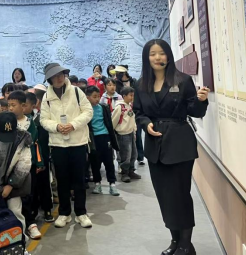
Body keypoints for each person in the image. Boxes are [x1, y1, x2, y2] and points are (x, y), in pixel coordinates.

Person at [134, 39, 210, 255]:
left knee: (180, 194)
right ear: (147, 58)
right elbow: (139, 112)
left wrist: (201, 100)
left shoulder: (183, 80)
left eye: (162, 53)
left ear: (168, 55)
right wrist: (145, 124)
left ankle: (186, 244)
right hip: (154, 146)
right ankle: (175, 241)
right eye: (152, 54)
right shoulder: (141, 84)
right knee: (164, 195)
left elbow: (195, 111)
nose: (157, 57)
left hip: (179, 143)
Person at [39, 63, 93, 229]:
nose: (59, 78)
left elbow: (88, 112)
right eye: (55, 76)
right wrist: (57, 127)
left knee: (79, 179)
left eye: (61, 74)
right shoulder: (47, 97)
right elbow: (43, 119)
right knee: (62, 180)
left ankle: (81, 213)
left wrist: (73, 125)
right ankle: (64, 213)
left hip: (78, 142)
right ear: (49, 79)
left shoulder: (76, 91)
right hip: (58, 144)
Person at [0, 112, 32, 240]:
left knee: (16, 211)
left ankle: (20, 241)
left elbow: (24, 164)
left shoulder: (23, 138)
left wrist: (11, 184)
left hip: (14, 180)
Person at [8, 90, 45, 240]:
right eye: (9, 105)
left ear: (23, 106)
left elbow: (34, 143)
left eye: (13, 105)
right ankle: (15, 226)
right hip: (11, 166)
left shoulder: (30, 123)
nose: (10, 108)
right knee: (14, 197)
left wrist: (39, 162)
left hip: (28, 164)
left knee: (29, 194)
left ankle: (30, 223)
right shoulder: (7, 122)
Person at [85, 86, 120, 196]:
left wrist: (111, 138)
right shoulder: (85, 110)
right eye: (94, 97)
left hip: (105, 136)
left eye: (98, 96)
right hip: (93, 139)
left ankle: (112, 184)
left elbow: (109, 123)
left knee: (109, 161)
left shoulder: (103, 107)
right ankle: (97, 184)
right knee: (95, 162)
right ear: (87, 97)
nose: (97, 99)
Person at [32, 86, 55, 223]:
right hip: (32, 158)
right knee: (33, 186)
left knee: (45, 183)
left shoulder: (44, 118)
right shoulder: (30, 118)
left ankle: (47, 209)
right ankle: (34, 210)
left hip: (43, 156)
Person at [112, 86, 141, 183]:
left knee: (133, 153)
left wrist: (134, 130)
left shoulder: (130, 106)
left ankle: (131, 171)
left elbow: (132, 119)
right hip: (122, 134)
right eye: (130, 95)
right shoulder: (120, 107)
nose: (132, 97)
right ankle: (124, 173)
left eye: (133, 95)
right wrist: (113, 133)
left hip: (130, 133)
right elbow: (114, 121)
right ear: (124, 96)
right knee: (125, 154)